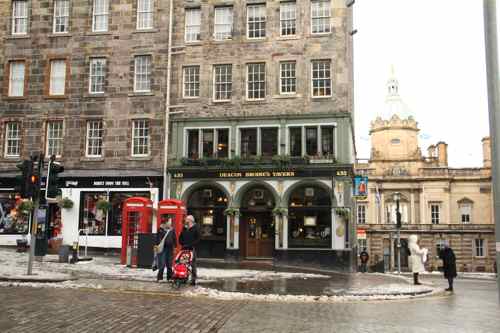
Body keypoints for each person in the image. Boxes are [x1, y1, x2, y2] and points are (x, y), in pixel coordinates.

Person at [179, 215, 200, 285]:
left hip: (192, 249)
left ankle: (193, 279)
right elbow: (180, 237)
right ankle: (184, 277)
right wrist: (182, 243)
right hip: (184, 248)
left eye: (187, 219)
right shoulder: (184, 228)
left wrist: (191, 245)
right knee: (184, 263)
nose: (185, 220)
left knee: (193, 265)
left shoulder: (196, 228)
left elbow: (198, 239)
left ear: (190, 220)